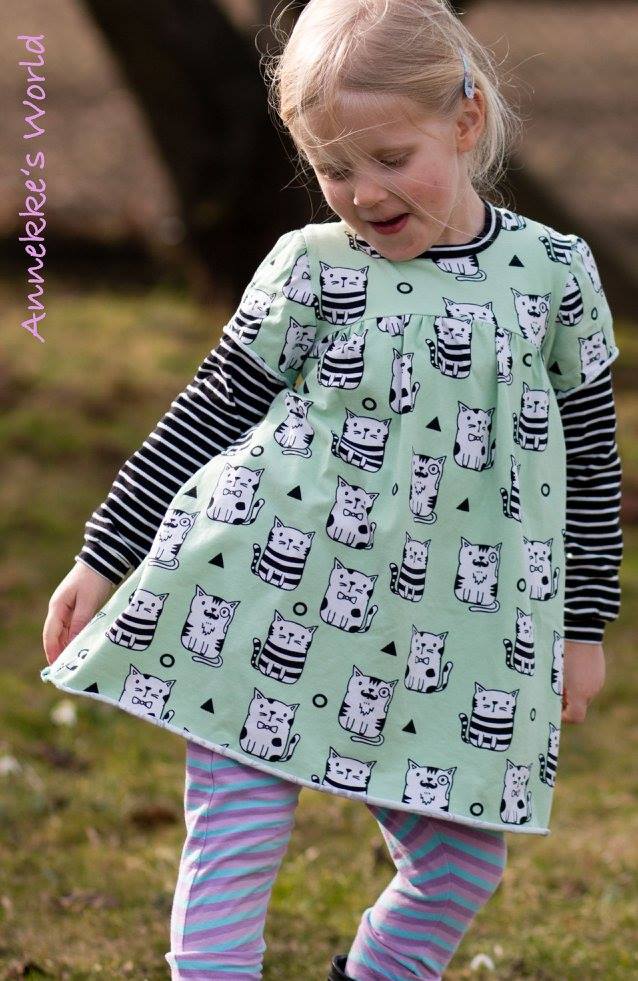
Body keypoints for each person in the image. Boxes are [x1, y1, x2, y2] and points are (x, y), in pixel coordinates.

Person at [41, 0, 623, 977]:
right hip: (268, 605)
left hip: (454, 637)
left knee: (459, 867)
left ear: (465, 120)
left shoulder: (551, 276)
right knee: (232, 846)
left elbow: (591, 466)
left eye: (390, 158)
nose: (361, 192)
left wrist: (581, 626)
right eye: (331, 167)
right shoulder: (310, 269)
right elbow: (204, 416)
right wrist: (104, 555)